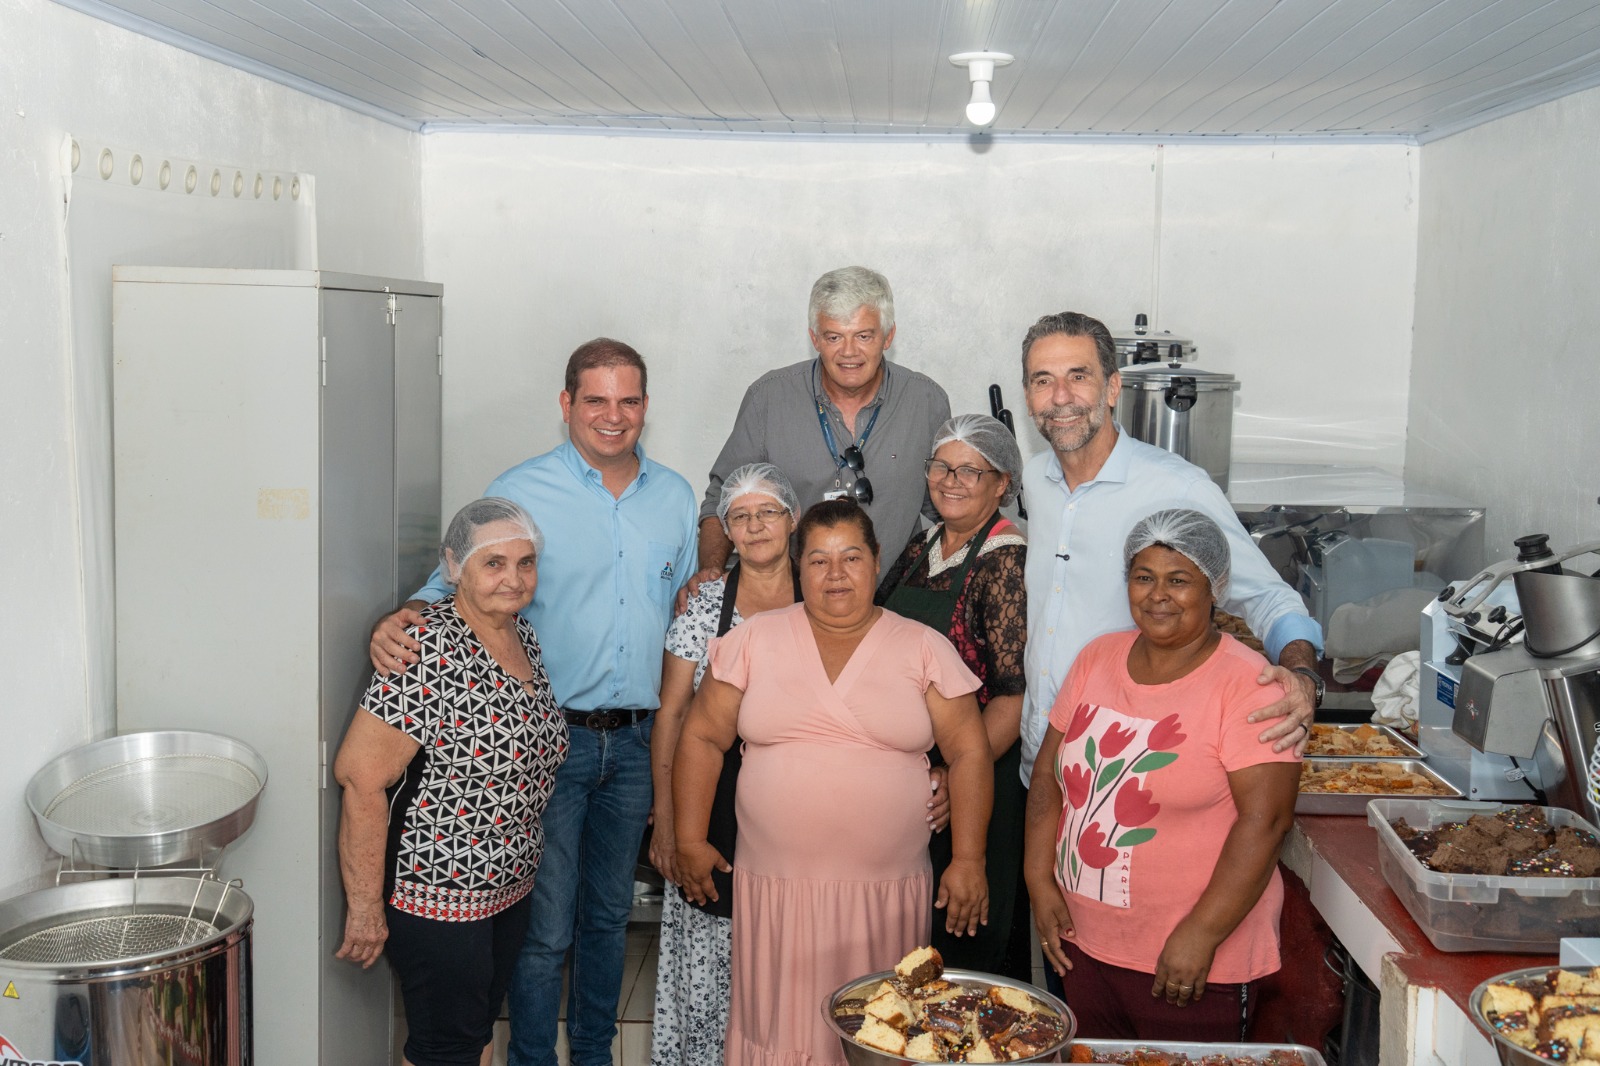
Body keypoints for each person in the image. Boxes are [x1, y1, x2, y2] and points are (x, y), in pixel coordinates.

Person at [367, 339, 699, 1066]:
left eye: (630, 400)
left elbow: (685, 608)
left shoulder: (675, 497)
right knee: (543, 928)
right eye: (596, 400)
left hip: (641, 744)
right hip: (551, 745)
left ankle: (593, 1054)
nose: (614, 416)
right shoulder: (522, 489)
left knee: (609, 919)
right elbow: (452, 580)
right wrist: (399, 621)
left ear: (646, 405)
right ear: (566, 405)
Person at [674, 500, 993, 1066]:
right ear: (799, 569)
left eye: (851, 556)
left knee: (883, 1034)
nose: (836, 573)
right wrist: (690, 839)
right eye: (818, 561)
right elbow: (700, 737)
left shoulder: (922, 646)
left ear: (876, 562)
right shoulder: (754, 641)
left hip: (885, 898)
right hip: (775, 894)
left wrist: (967, 858)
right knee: (778, 1032)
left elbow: (969, 752)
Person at [1018, 310, 1323, 802]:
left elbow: (1269, 597)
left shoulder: (1176, 486)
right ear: (1028, 395)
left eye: (1079, 376)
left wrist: (1303, 675)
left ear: (1112, 387)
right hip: (1042, 767)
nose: (1060, 397)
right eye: (1043, 380)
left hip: (1138, 777)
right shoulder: (1037, 479)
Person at [1024, 508, 1302, 1042]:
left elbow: (1266, 823)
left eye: (1179, 581)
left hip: (1193, 960)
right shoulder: (1097, 658)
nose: (1158, 595)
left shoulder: (1250, 687)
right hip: (1083, 944)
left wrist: (1201, 934)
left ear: (1214, 587)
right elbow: (1048, 777)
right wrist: (1040, 879)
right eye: (1143, 577)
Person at [335, 498, 571, 1066]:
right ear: (454, 567)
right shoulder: (427, 647)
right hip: (440, 892)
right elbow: (361, 777)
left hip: (505, 888)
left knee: (473, 1035)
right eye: (493, 564)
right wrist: (366, 907)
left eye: (525, 562)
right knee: (445, 1048)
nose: (513, 579)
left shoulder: (524, 639)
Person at [647, 463, 802, 1066]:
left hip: (798, 811)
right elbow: (672, 716)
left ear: (792, 520)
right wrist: (667, 820)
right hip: (712, 808)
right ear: (727, 532)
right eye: (741, 516)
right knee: (713, 952)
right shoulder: (706, 604)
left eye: (769, 512)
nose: (756, 525)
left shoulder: (824, 596)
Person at [875, 413, 1030, 980]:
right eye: (942, 466)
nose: (952, 480)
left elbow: (1012, 698)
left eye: (971, 470)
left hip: (978, 773)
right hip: (922, 771)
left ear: (1002, 483)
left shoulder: (1004, 559)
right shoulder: (926, 543)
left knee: (963, 941)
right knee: (913, 945)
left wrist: (952, 774)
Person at [691, 266, 951, 585]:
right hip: (794, 601)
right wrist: (711, 576)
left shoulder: (927, 402)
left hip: (897, 602)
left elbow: (948, 505)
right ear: (815, 338)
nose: (849, 352)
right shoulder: (768, 399)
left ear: (888, 336)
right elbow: (723, 497)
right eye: (834, 337)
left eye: (864, 336)